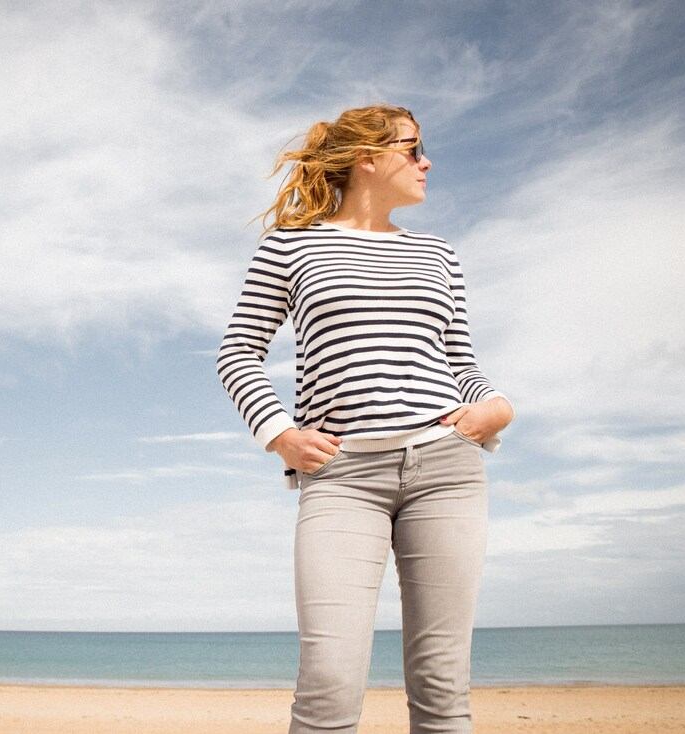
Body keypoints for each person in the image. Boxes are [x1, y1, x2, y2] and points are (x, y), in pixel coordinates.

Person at [215, 104, 514, 733]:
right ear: (366, 158)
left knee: (442, 687)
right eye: (413, 148)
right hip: (342, 477)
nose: (427, 162)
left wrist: (495, 407)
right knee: (328, 683)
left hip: (447, 472)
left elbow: (460, 361)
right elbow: (238, 350)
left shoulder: (438, 254)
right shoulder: (291, 246)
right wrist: (280, 435)